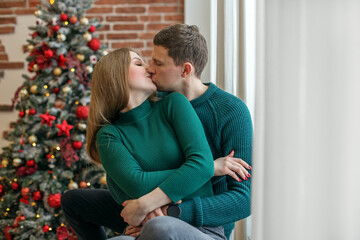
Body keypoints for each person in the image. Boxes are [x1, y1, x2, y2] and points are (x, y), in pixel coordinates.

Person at [61, 24, 252, 240]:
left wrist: (165, 211)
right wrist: (211, 167)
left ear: (185, 70)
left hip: (199, 215)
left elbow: (244, 200)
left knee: (160, 227)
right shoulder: (151, 104)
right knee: (74, 200)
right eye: (145, 62)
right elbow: (127, 183)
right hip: (146, 202)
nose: (150, 68)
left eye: (157, 63)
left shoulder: (228, 111)